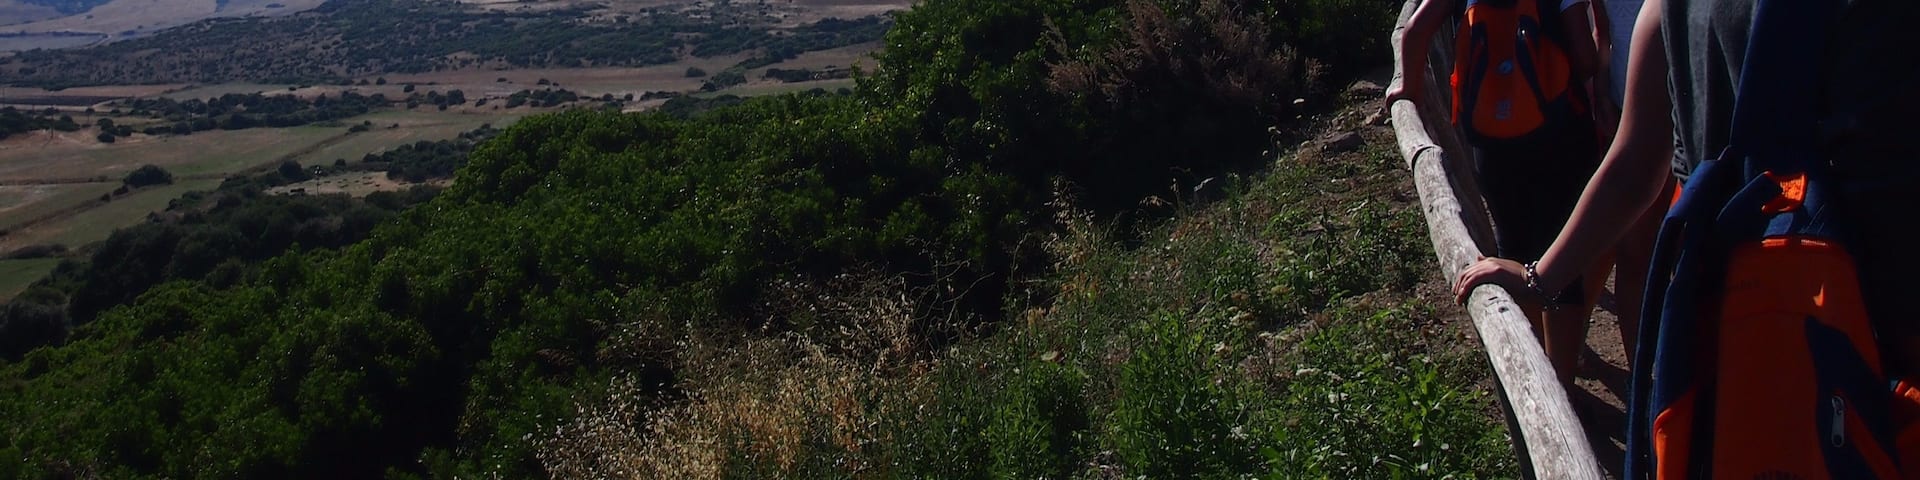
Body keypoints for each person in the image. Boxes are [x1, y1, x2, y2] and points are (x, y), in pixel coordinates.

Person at [1451, 0, 1920, 404]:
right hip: (1864, 355)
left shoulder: (1672, 8)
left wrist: (1540, 277)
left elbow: (1633, 169)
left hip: (1729, 328)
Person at [1389, 0, 1610, 389]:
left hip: (1492, 143)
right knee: (1562, 264)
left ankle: (1537, 365)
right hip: (1559, 136)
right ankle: (1561, 382)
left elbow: (1417, 29)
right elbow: (1584, 57)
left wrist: (1407, 89)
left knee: (1514, 246)